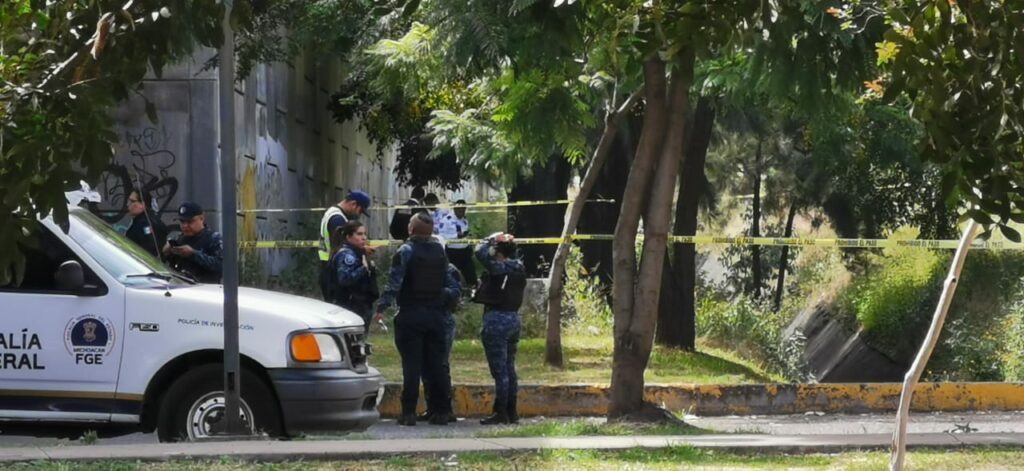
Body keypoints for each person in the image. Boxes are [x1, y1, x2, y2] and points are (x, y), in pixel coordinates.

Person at [375, 212, 459, 426]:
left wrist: (381, 307)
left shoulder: (406, 250)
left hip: (411, 314)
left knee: (411, 365)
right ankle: (441, 412)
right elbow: (448, 282)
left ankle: (409, 413)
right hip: (436, 315)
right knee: (438, 365)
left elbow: (394, 283)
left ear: (411, 230)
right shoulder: (439, 251)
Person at [473, 232, 526, 425]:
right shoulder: (519, 267)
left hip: (497, 320)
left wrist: (489, 239)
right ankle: (512, 411)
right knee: (509, 368)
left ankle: (501, 411)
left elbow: (479, 252)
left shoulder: (499, 268)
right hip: (514, 319)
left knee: (500, 371)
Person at [419, 263, 463, 423]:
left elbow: (455, 294)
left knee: (441, 365)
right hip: (424, 318)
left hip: (443, 318)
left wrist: (433, 290)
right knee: (425, 365)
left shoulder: (448, 269)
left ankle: (445, 408)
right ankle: (431, 407)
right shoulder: (420, 267)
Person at [319, 191, 372, 300]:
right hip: (336, 271)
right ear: (353, 204)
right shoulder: (338, 219)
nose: (359, 214)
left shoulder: (332, 213)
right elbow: (343, 245)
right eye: (360, 210)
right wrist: (362, 251)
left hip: (329, 267)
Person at [328, 221, 379, 334]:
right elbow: (344, 279)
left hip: (360, 304)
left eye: (364, 234)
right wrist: (364, 268)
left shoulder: (355, 252)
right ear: (348, 236)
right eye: (359, 234)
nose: (364, 238)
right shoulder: (346, 255)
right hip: (352, 305)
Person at [163, 202, 223, 283]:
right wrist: (167, 254)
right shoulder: (179, 238)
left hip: (205, 288)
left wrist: (193, 254)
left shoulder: (213, 239)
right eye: (182, 222)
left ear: (201, 218)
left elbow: (221, 266)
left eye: (190, 222)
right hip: (181, 287)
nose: (185, 226)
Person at [124, 188, 168, 258]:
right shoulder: (150, 220)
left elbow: (148, 250)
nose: (127, 204)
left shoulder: (144, 224)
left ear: (142, 204)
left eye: (132, 201)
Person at [445, 200, 477, 288]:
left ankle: (472, 290)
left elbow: (465, 232)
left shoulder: (464, 219)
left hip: (465, 250)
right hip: (453, 251)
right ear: (455, 209)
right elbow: (444, 235)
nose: (462, 212)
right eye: (460, 210)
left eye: (463, 210)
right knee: (453, 274)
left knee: (470, 273)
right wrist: (458, 235)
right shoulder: (447, 220)